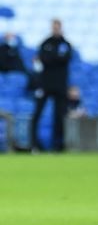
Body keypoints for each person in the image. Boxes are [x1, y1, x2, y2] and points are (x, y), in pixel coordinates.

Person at [31, 19, 72, 152]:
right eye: (54, 27)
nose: (56, 29)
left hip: (60, 85)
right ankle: (34, 144)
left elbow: (63, 58)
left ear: (61, 28)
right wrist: (56, 58)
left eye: (57, 27)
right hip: (45, 84)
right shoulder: (46, 43)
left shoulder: (65, 44)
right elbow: (44, 59)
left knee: (59, 116)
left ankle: (58, 145)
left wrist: (50, 58)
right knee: (37, 113)